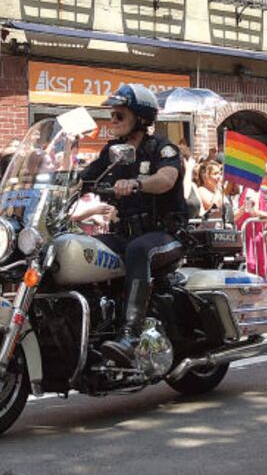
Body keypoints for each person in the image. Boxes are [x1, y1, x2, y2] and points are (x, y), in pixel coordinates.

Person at [78, 83, 188, 367]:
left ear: (140, 118)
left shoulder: (162, 149)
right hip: (124, 234)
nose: (112, 121)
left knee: (139, 250)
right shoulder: (113, 151)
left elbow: (166, 179)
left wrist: (137, 183)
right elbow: (85, 177)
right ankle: (89, 328)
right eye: (111, 115)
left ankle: (130, 336)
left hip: (163, 235)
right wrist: (55, 182)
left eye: (119, 115)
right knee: (80, 248)